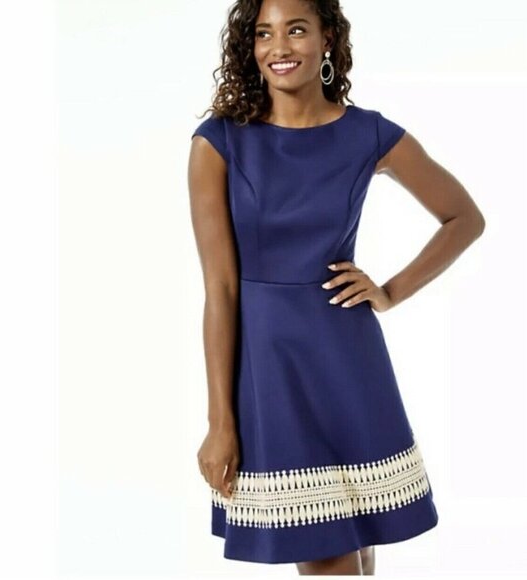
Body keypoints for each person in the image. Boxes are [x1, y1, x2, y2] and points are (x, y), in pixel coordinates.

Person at [187, 0, 485, 574]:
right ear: (250, 47)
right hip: (269, 371)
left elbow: (464, 219)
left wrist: (390, 292)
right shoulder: (219, 143)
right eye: (264, 34)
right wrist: (219, 421)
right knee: (327, 553)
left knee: (358, 549)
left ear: (327, 39)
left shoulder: (369, 134)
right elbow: (220, 290)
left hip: (347, 358)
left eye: (296, 29)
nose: (279, 47)